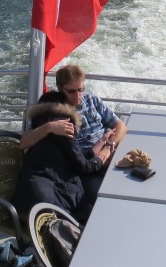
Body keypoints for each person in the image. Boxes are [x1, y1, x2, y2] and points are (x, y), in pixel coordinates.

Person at [19, 65, 127, 200]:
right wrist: (49, 127)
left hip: (108, 152)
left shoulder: (91, 99)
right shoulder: (54, 110)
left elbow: (120, 126)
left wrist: (107, 147)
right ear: (60, 88)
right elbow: (24, 142)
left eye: (81, 89)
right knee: (102, 196)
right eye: (72, 91)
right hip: (83, 167)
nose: (78, 95)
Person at [12, 91, 108, 224]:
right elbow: (84, 167)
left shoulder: (38, 127)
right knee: (95, 217)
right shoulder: (64, 126)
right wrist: (102, 157)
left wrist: (100, 143)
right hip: (48, 209)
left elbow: (69, 156)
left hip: (24, 201)